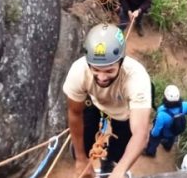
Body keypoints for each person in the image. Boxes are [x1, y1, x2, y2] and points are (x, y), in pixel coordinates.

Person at [63, 23, 153, 178]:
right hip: (94, 102)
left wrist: (119, 171)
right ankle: (94, 159)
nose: (102, 77)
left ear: (121, 62)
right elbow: (75, 113)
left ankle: (109, 162)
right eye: (96, 69)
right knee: (83, 144)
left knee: (120, 151)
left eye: (109, 70)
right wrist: (81, 159)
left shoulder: (137, 78)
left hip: (123, 112)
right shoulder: (79, 71)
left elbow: (140, 133)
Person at [144, 85, 187, 157]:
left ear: (165, 98)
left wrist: (152, 135)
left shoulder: (161, 113)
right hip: (174, 132)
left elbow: (156, 132)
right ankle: (167, 147)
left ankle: (150, 152)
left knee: (154, 138)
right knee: (171, 138)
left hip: (163, 133)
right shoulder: (184, 106)